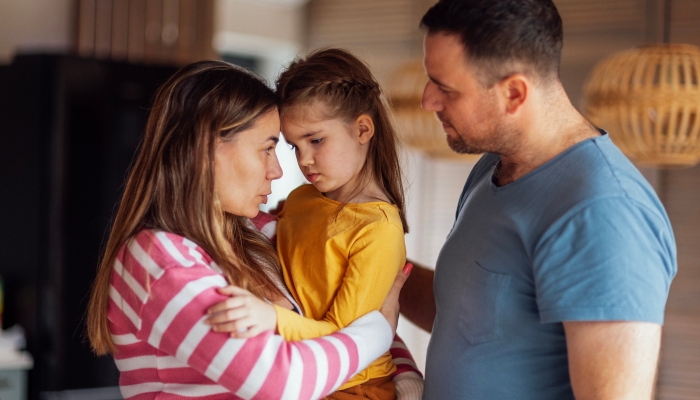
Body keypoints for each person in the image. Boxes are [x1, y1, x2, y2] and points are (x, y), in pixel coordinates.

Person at [85, 60, 414, 399]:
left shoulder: (261, 233)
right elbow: (281, 380)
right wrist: (379, 332)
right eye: (268, 148)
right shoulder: (158, 260)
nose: (278, 171)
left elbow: (347, 320)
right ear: (207, 148)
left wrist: (403, 372)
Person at [397, 0, 678, 399]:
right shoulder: (492, 167)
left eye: (445, 88)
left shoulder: (604, 212)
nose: (427, 101)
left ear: (514, 93)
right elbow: (464, 317)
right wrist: (358, 254)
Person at [206, 48, 422, 400]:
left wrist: (270, 318)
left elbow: (343, 336)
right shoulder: (302, 199)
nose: (304, 160)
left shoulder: (378, 229)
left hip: (354, 387)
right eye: (293, 146)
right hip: (307, 374)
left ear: (362, 129)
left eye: (316, 140)